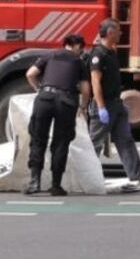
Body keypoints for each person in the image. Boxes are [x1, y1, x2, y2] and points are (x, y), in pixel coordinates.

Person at [88, 18, 140, 187]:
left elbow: (101, 36)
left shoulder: (110, 52)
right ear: (110, 33)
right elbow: (95, 82)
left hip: (116, 104)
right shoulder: (98, 55)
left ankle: (137, 175)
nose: (121, 33)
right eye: (118, 30)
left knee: (126, 140)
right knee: (95, 143)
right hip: (105, 105)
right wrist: (101, 107)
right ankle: (85, 176)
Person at [23, 34, 90, 196]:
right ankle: (55, 185)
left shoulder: (49, 55)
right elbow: (86, 89)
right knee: (61, 142)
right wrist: (83, 106)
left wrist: (39, 89)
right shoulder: (79, 62)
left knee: (38, 139)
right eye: (80, 48)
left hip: (44, 99)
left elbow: (30, 74)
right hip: (66, 102)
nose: (81, 52)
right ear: (73, 45)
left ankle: (34, 182)